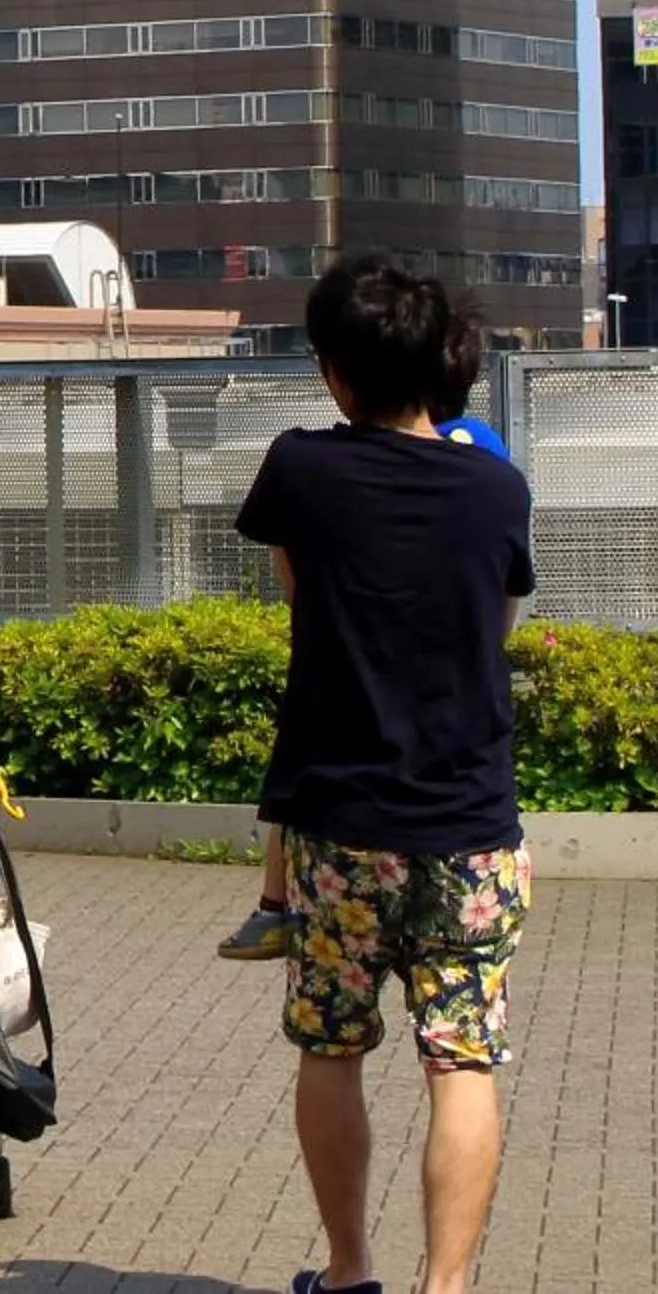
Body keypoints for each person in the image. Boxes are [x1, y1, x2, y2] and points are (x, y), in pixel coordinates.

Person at [244, 257, 537, 1294]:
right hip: (468, 820)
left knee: (333, 1045)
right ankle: (444, 1288)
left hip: (340, 820)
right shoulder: (498, 488)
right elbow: (494, 628)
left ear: (333, 371)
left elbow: (300, 595)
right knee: (461, 1063)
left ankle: (349, 1269)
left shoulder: (299, 470)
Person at [217, 314, 513, 958]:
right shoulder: (491, 465)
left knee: (331, 1034)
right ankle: (271, 906)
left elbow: (297, 584)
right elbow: (502, 601)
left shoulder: (310, 462)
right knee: (460, 1043)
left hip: (343, 793)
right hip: (466, 803)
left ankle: (273, 905)